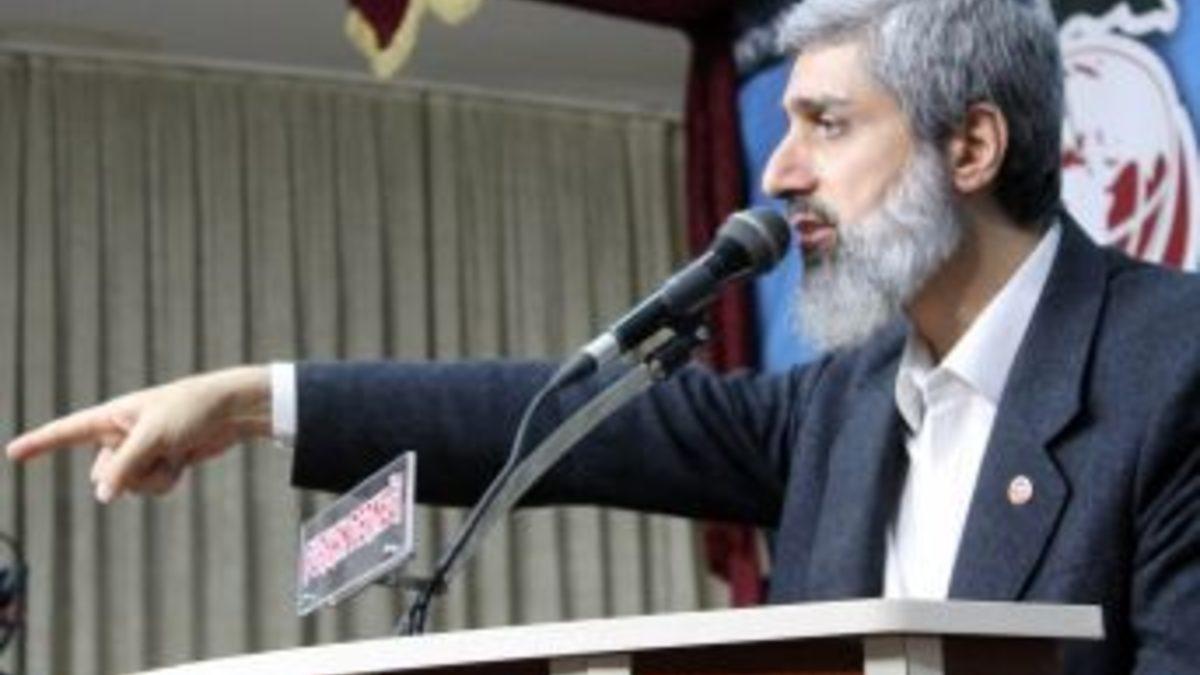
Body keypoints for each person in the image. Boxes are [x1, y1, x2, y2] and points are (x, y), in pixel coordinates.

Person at [6, 0, 1199, 672]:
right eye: (786, 126)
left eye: (827, 125)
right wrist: (247, 398)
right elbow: (550, 422)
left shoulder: (1176, 370)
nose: (780, 172)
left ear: (972, 147)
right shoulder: (842, 404)